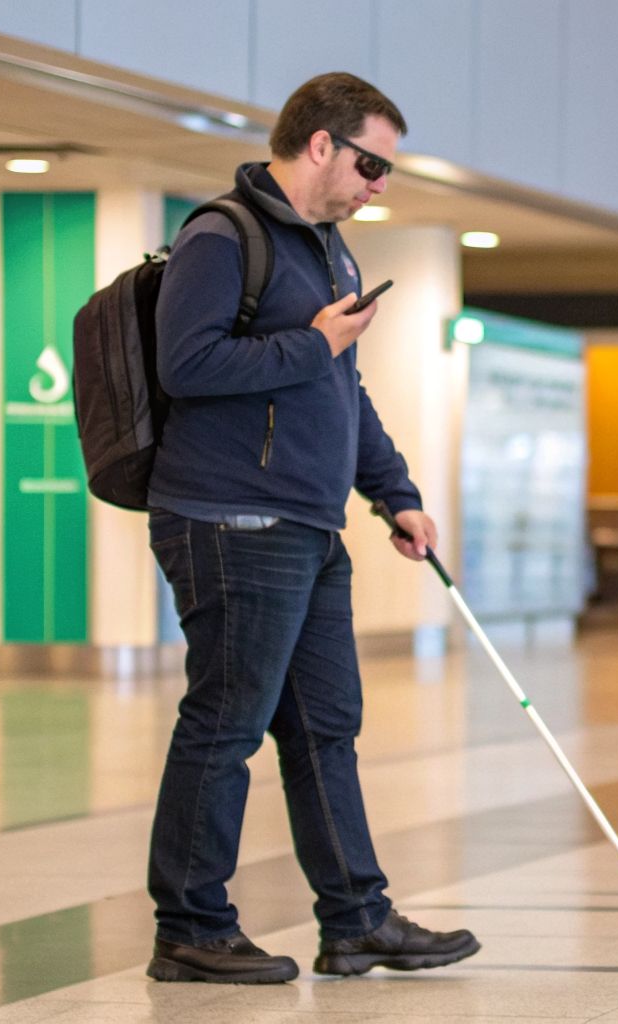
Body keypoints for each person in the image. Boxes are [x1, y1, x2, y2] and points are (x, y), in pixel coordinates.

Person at [144, 72, 479, 984]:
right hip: (229, 517)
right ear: (321, 144)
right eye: (372, 162)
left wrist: (395, 491)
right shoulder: (223, 235)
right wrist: (315, 343)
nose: (381, 183)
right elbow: (188, 363)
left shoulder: (333, 253)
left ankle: (358, 920)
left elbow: (343, 389)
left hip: (308, 523)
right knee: (225, 726)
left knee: (326, 727)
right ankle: (191, 928)